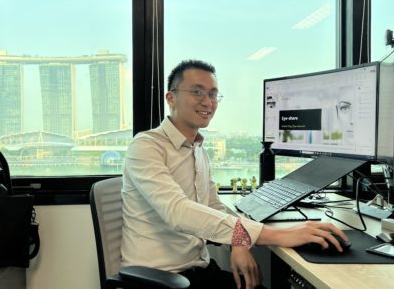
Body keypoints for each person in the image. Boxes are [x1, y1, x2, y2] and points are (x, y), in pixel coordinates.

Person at [120, 60, 349, 289]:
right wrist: (278, 235)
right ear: (171, 98)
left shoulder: (198, 149)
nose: (207, 101)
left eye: (213, 94)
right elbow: (177, 212)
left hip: (198, 272)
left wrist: (240, 241)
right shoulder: (146, 146)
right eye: (197, 92)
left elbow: (212, 206)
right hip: (159, 280)